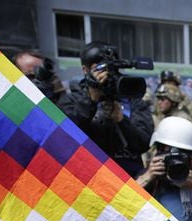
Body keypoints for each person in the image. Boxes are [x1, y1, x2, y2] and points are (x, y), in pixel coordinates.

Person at [57, 41, 153, 178]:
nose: (107, 75)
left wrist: (121, 120)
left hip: (128, 182)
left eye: (111, 69)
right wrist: (91, 99)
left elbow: (143, 144)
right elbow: (66, 138)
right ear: (85, 70)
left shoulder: (133, 100)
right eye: (100, 69)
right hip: (87, 179)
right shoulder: (71, 101)